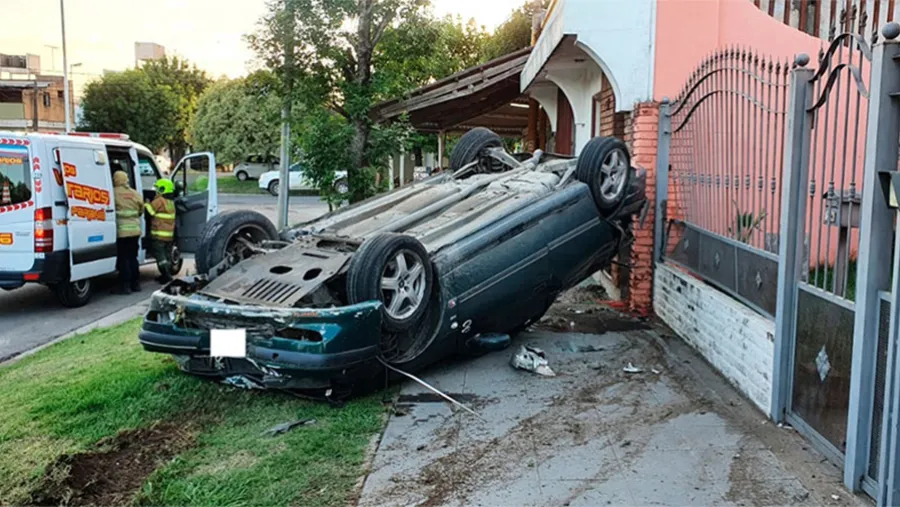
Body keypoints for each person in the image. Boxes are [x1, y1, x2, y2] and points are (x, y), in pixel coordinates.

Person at [111, 170, 143, 294]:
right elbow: (141, 210)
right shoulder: (134, 193)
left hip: (121, 232)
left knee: (123, 259)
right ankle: (136, 284)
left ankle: (125, 286)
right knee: (133, 257)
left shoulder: (113, 193)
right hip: (135, 231)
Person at [145, 179, 177, 284]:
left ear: (163, 189)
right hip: (169, 235)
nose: (156, 190)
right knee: (167, 255)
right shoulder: (170, 202)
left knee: (160, 256)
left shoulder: (159, 200)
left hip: (158, 234)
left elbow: (151, 212)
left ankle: (166, 276)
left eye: (158, 188)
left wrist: (146, 203)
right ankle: (165, 274)